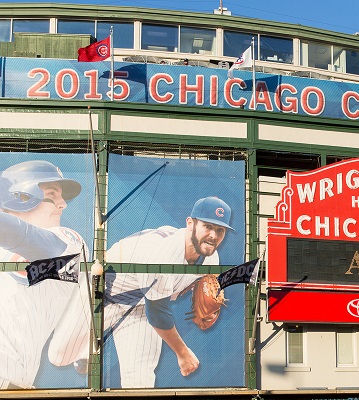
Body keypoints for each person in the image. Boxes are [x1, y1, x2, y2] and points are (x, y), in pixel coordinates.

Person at [102, 196, 234, 388]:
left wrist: (210, 297)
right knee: (59, 355)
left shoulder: (211, 256)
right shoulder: (164, 253)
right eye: (208, 226)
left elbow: (206, 282)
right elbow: (157, 312)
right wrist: (183, 353)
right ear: (191, 223)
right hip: (105, 293)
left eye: (220, 230)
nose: (213, 235)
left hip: (141, 305)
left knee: (140, 378)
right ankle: (83, 352)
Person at [0, 160, 88, 389]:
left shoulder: (69, 242)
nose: (63, 205)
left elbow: (33, 241)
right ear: (21, 197)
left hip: (8, 384)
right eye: (52, 194)